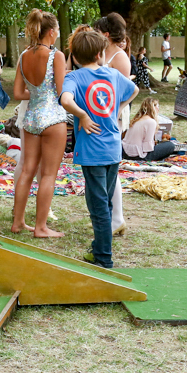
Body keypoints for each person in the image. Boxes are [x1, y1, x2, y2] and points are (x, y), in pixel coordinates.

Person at [61, 28, 138, 268]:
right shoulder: (113, 75)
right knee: (105, 203)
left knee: (98, 206)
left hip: (92, 152)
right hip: (113, 149)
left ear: (74, 57)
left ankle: (103, 258)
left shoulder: (74, 77)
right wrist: (117, 110)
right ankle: (98, 249)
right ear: (99, 54)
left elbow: (65, 100)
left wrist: (83, 115)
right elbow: (134, 90)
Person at [10, 14, 67, 238]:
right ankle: (41, 227)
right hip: (53, 118)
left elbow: (17, 93)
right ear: (51, 31)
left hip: (31, 117)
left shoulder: (24, 55)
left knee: (27, 170)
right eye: (58, 29)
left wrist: (37, 94)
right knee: (48, 175)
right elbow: (61, 93)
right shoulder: (56, 55)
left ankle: (18, 222)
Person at [94, 13, 134, 236]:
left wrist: (114, 113)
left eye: (97, 32)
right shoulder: (102, 53)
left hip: (113, 115)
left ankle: (116, 217)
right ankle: (108, 216)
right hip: (100, 112)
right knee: (103, 167)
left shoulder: (120, 58)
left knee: (110, 167)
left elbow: (124, 92)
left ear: (106, 34)